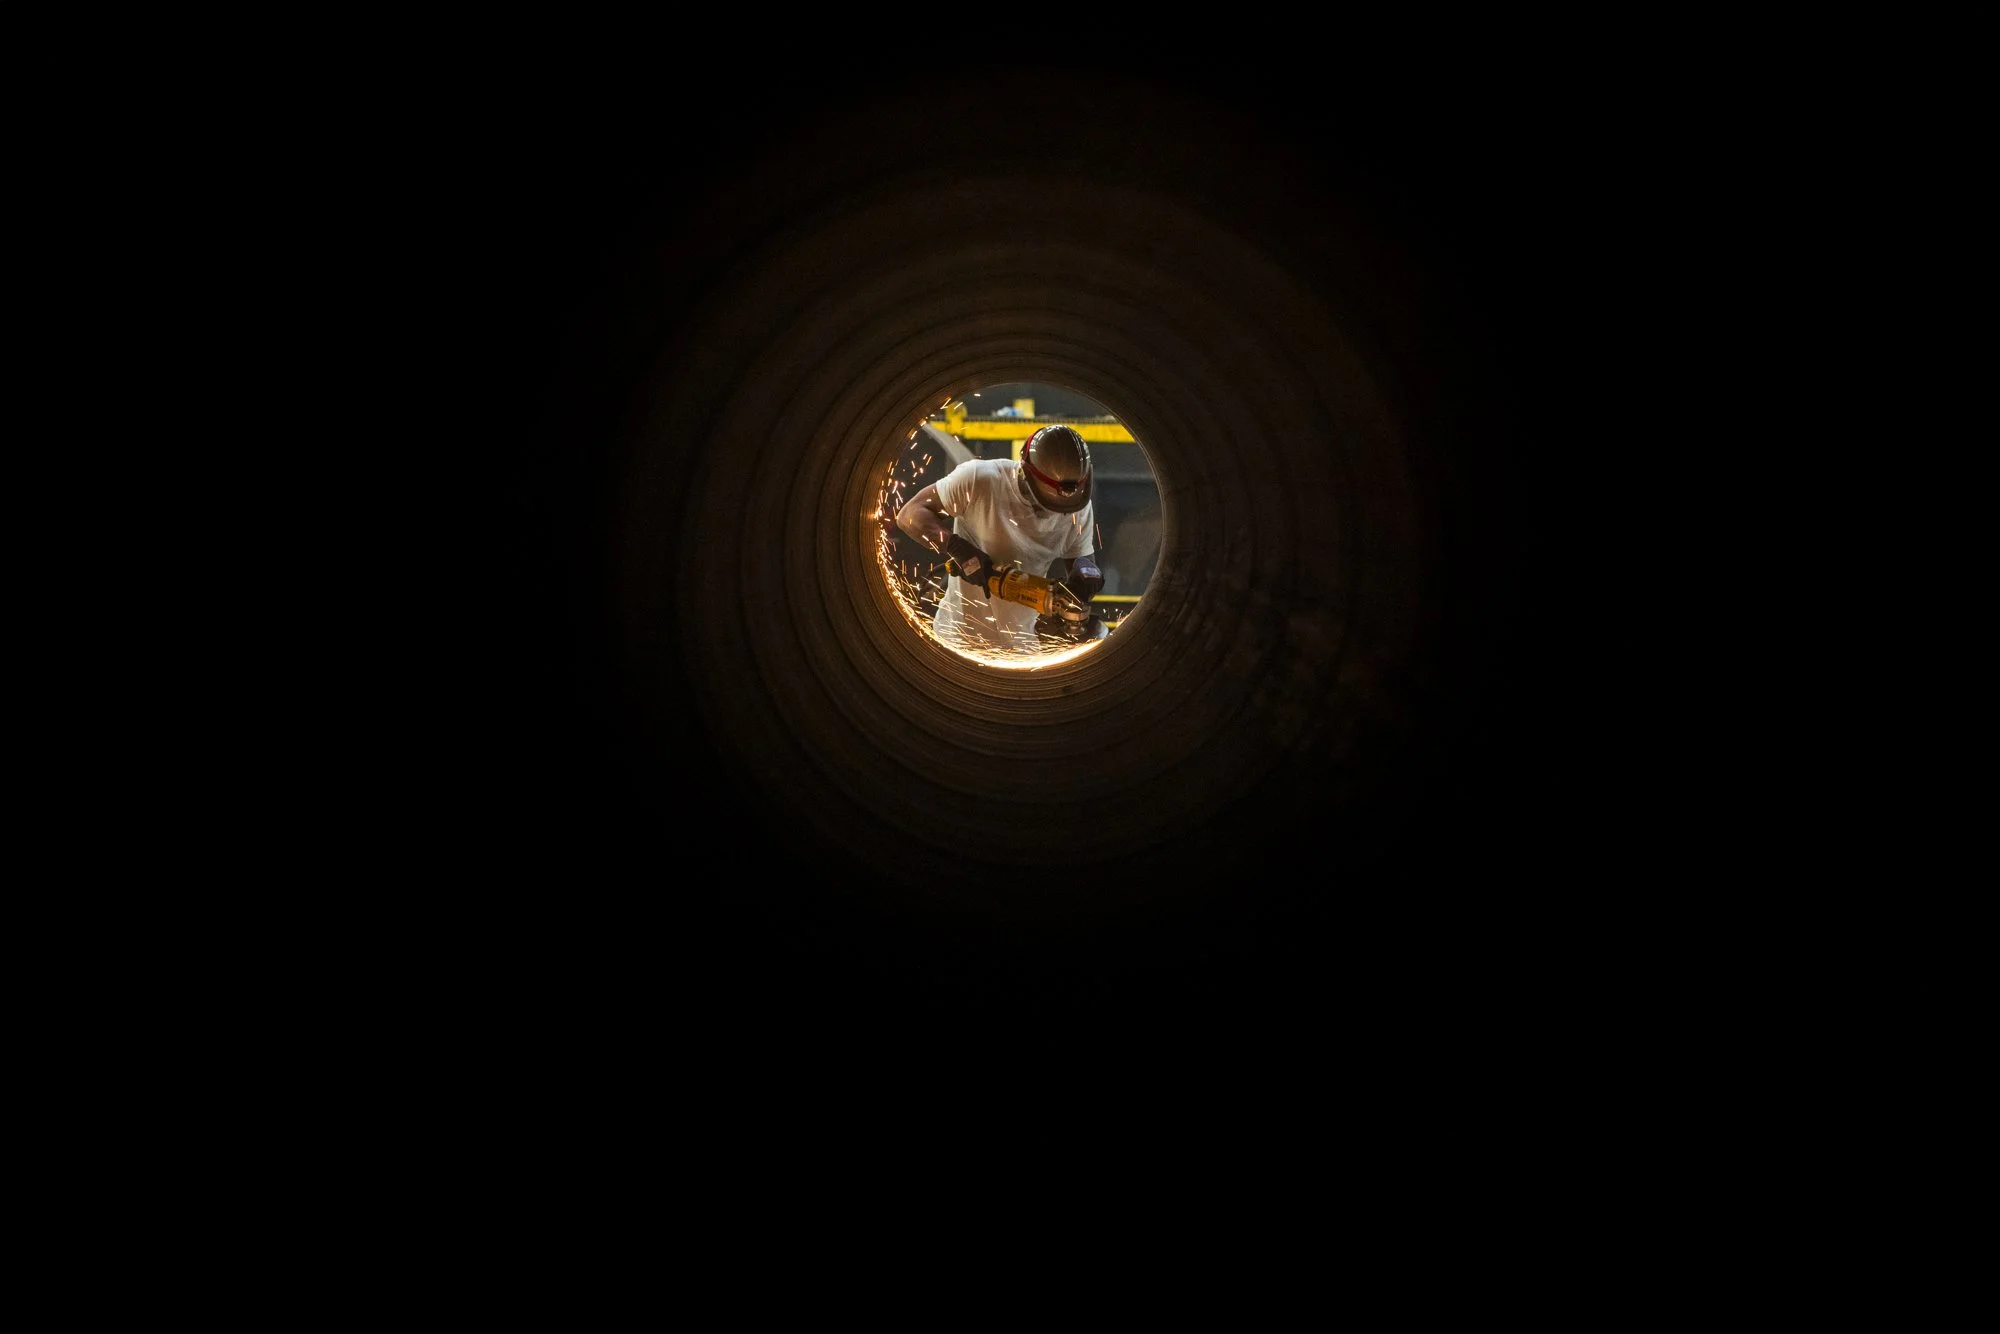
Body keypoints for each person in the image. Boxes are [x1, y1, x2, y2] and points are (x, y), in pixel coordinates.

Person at [894, 423, 1106, 653]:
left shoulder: (1078, 507)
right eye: (1047, 505)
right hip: (957, 642)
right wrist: (957, 548)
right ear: (1026, 474)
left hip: (1024, 650)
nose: (1057, 513)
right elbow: (910, 514)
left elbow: (1081, 561)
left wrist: (1085, 576)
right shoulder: (980, 480)